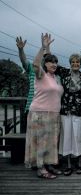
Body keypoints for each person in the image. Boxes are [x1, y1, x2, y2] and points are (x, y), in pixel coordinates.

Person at [25, 33, 64, 179]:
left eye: (55, 62)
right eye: (50, 63)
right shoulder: (40, 75)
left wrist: (48, 47)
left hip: (54, 114)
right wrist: (42, 47)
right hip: (40, 113)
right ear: (45, 65)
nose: (53, 64)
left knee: (51, 142)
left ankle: (49, 165)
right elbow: (36, 63)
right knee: (41, 142)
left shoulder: (55, 77)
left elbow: (49, 57)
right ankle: (41, 168)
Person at [57, 54, 81, 175]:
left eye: (77, 62)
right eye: (73, 62)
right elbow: (49, 62)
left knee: (78, 136)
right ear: (70, 63)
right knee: (66, 136)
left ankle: (79, 163)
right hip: (66, 110)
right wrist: (45, 47)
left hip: (79, 110)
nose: (75, 64)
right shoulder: (64, 73)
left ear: (80, 63)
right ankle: (68, 164)